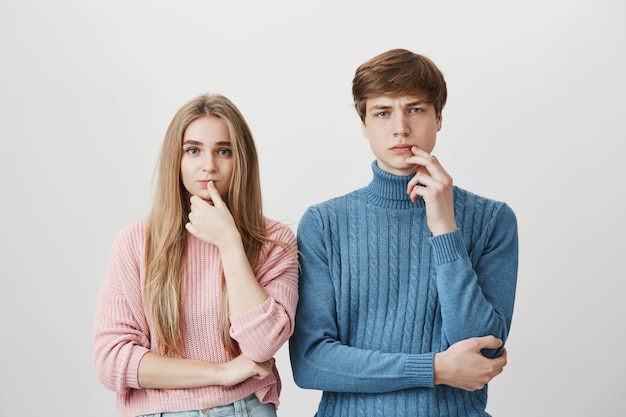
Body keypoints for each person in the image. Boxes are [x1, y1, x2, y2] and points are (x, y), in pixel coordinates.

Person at [289, 48, 519, 416]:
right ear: (363, 124)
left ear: (439, 117)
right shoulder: (323, 223)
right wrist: (435, 369)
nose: (400, 128)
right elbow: (311, 362)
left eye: (415, 109)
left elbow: (483, 350)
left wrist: (445, 228)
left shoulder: (493, 220)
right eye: (382, 112)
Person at [93, 93, 299, 417]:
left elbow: (262, 345)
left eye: (223, 151)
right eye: (193, 150)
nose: (209, 166)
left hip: (244, 409)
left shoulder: (274, 241)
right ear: (175, 160)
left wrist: (229, 242)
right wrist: (220, 373)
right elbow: (112, 360)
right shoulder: (135, 243)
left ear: (241, 160)